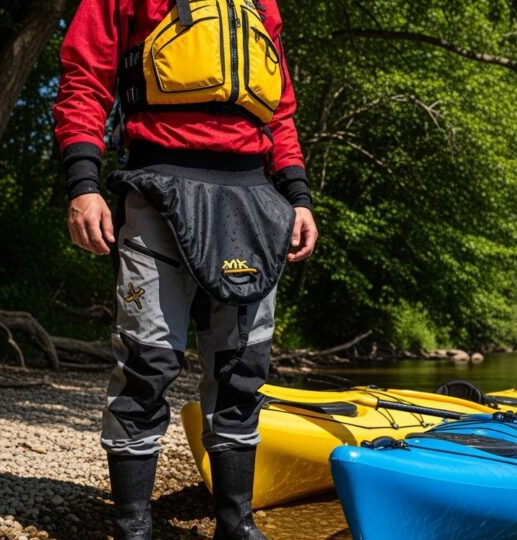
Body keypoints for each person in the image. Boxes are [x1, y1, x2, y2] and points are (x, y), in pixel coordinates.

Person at [52, 1, 317, 539]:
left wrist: (299, 196)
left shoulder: (261, 5)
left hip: (253, 200)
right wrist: (83, 184)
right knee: (147, 364)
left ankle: (235, 523)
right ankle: (133, 527)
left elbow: (281, 113)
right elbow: (84, 80)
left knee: (242, 371)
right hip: (160, 184)